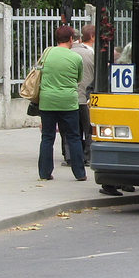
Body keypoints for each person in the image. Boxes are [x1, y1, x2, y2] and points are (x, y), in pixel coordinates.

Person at [38, 25, 86, 182]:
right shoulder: (76, 58)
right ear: (71, 39)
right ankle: (79, 173)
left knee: (47, 137)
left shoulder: (47, 53)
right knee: (73, 137)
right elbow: (79, 78)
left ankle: (44, 173)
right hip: (68, 102)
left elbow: (39, 71)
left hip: (47, 101)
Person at [63, 24, 95, 166]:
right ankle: (88, 156)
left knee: (70, 130)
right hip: (86, 98)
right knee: (88, 129)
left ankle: (70, 157)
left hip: (69, 98)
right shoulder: (90, 54)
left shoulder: (64, 55)